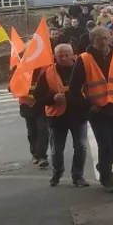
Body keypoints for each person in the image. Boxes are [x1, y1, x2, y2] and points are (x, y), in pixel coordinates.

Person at [67, 25, 113, 193]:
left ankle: (103, 166)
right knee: (105, 144)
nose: (103, 42)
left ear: (110, 38)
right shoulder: (84, 59)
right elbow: (74, 89)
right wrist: (89, 106)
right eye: (99, 39)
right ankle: (108, 177)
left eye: (105, 38)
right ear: (93, 41)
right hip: (97, 110)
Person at [36, 43, 90, 187]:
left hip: (78, 115)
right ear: (55, 56)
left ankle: (78, 176)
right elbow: (39, 96)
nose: (64, 58)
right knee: (56, 150)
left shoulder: (82, 68)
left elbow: (90, 89)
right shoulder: (48, 73)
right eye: (61, 55)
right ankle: (57, 171)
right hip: (57, 117)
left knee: (81, 146)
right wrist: (52, 99)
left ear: (73, 54)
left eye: (67, 54)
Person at [15, 61, 49, 169]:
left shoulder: (46, 66)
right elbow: (12, 87)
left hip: (42, 103)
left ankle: (42, 156)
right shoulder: (19, 68)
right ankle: (35, 153)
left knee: (43, 129)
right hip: (27, 104)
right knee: (32, 131)